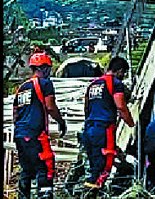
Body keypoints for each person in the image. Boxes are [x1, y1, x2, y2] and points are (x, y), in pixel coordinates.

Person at [12, 51, 67, 199]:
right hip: (36, 134)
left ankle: (23, 196)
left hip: (20, 134)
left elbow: (15, 113)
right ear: (44, 68)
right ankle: (45, 195)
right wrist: (61, 122)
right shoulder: (45, 83)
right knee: (46, 165)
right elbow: (50, 107)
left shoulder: (22, 88)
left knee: (27, 169)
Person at [80, 56, 135, 196]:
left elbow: (86, 106)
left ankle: (89, 192)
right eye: (124, 74)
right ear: (120, 71)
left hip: (89, 127)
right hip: (104, 128)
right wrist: (131, 124)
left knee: (94, 166)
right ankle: (92, 193)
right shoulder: (115, 83)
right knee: (105, 164)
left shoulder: (94, 83)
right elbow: (121, 106)